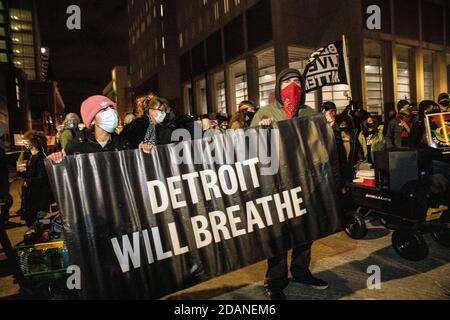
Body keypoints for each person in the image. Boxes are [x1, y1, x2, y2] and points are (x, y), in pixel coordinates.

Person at [250, 68, 328, 301]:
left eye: (297, 81)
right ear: (278, 86)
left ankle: (301, 271)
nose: (293, 85)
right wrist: (260, 131)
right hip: (277, 185)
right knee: (279, 234)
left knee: (306, 230)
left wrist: (328, 127)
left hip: (306, 182)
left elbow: (321, 146)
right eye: (287, 81)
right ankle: (275, 280)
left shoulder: (309, 112)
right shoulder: (266, 112)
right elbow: (250, 147)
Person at [48, 95, 132, 163]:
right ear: (92, 120)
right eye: (104, 109)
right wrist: (55, 160)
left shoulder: (124, 144)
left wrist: (143, 151)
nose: (112, 112)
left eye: (112, 108)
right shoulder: (76, 146)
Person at [17, 131, 54, 227]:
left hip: (38, 198)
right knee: (32, 222)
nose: (26, 144)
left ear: (34, 143)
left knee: (37, 223)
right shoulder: (32, 157)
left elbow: (42, 179)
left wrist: (28, 182)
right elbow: (31, 175)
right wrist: (22, 173)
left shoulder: (41, 158)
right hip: (31, 197)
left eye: (28, 141)